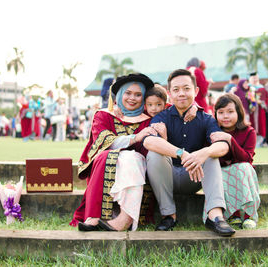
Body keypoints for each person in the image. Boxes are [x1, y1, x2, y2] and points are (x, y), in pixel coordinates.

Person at [144, 69, 235, 237]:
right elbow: (149, 141)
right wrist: (182, 154)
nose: (181, 94)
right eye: (176, 90)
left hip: (194, 176)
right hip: (168, 175)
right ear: (169, 93)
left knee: (211, 156)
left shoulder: (206, 119)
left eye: (186, 88)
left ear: (196, 91)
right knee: (154, 154)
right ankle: (168, 216)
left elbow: (223, 146)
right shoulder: (161, 117)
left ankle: (215, 215)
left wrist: (205, 152)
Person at [70, 73, 156, 232]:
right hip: (108, 167)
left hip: (138, 170)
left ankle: (125, 218)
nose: (133, 98)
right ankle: (94, 216)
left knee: (132, 158)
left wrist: (193, 107)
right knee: (107, 155)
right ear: (119, 95)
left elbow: (169, 102)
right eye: (128, 93)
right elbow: (105, 141)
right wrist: (135, 138)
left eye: (138, 95)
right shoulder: (104, 115)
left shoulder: (150, 118)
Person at [205, 93, 259, 229]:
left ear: (238, 112)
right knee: (220, 172)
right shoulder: (212, 132)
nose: (225, 116)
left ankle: (248, 214)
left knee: (243, 168)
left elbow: (246, 159)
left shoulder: (249, 131)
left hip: (243, 171)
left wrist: (230, 140)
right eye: (221, 112)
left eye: (230, 112)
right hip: (222, 171)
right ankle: (232, 214)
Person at [249, 72, 268, 147]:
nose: (254, 79)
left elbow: (266, 99)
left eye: (256, 77)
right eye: (253, 78)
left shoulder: (262, 88)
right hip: (251, 111)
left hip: (260, 110)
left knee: (261, 125)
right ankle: (251, 142)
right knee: (251, 125)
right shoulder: (248, 88)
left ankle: (259, 143)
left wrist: (261, 102)